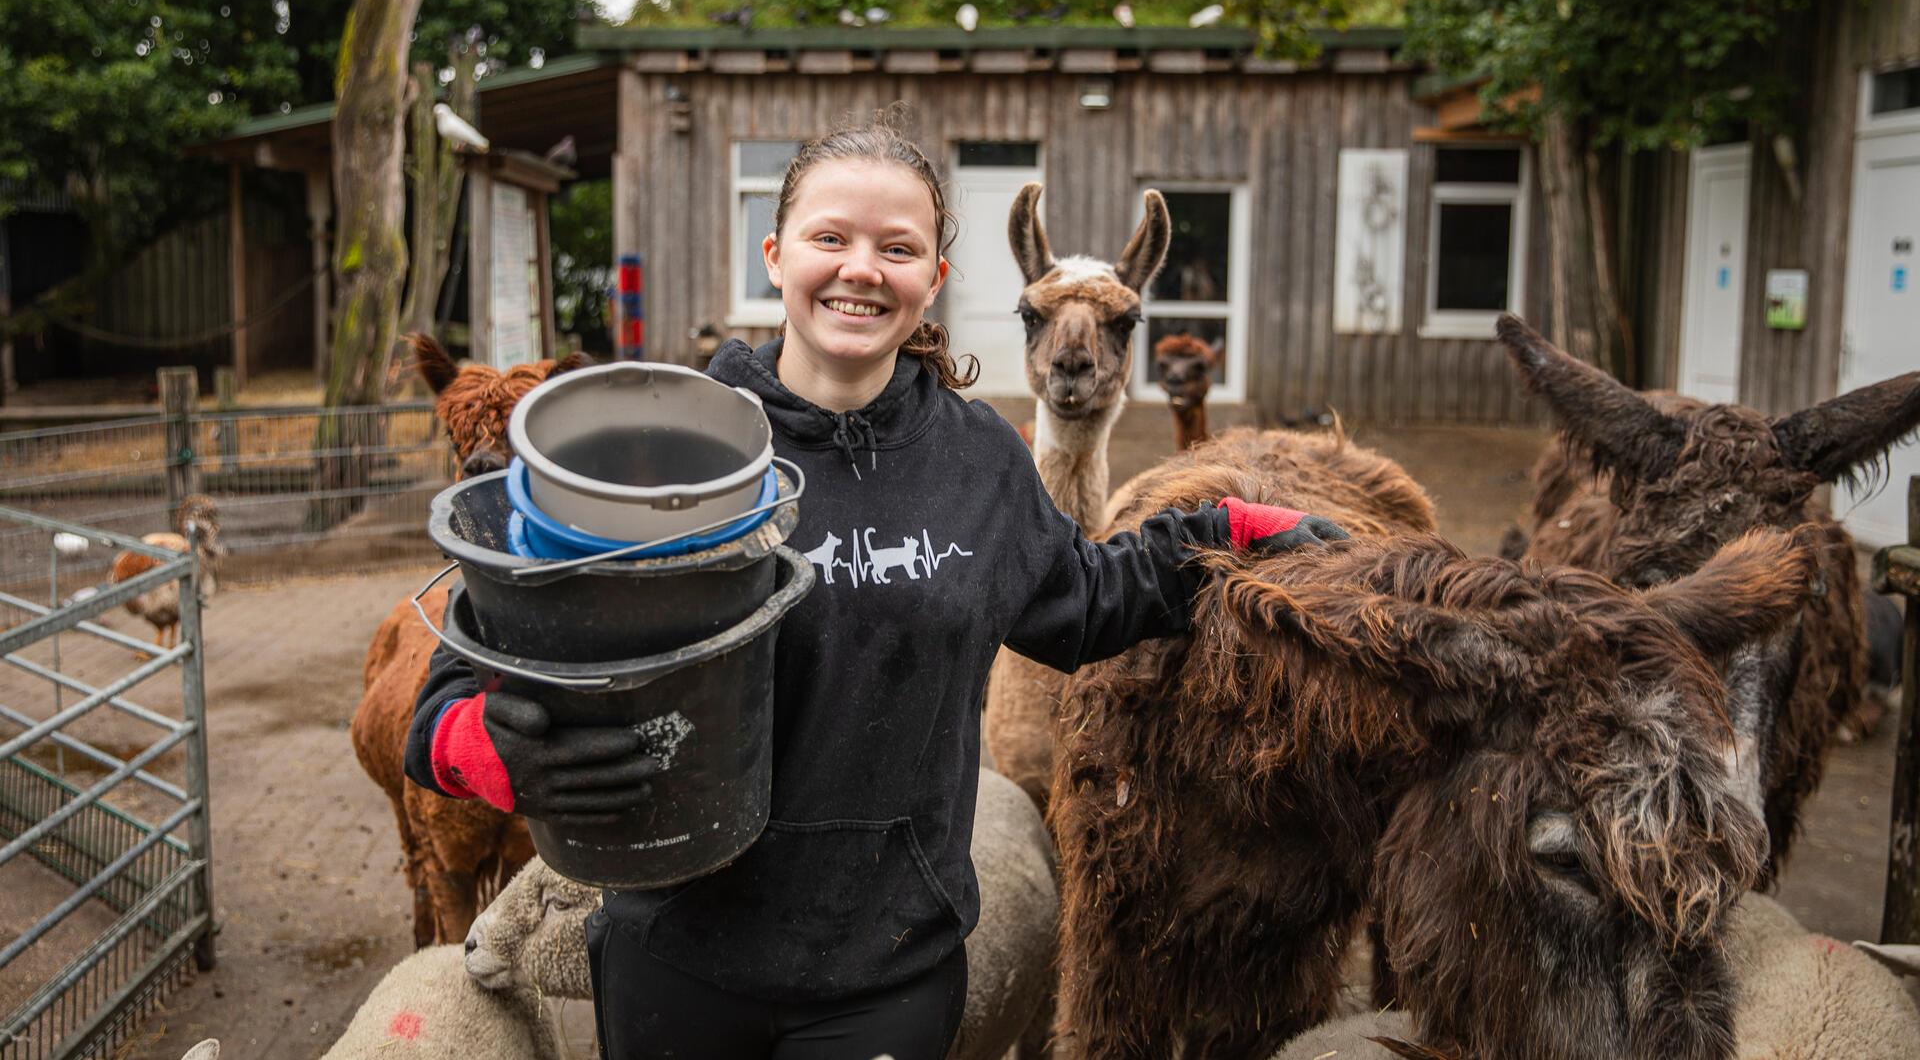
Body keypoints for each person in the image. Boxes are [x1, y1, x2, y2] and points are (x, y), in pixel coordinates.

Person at [403, 116, 1346, 1060]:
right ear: (776, 257)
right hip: (675, 948)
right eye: (830, 239)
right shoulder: (668, 445)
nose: (862, 269)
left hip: (887, 969)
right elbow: (484, 636)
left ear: (932, 280)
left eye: (898, 248)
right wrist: (473, 746)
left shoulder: (978, 463)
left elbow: (1084, 598)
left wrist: (1226, 530)